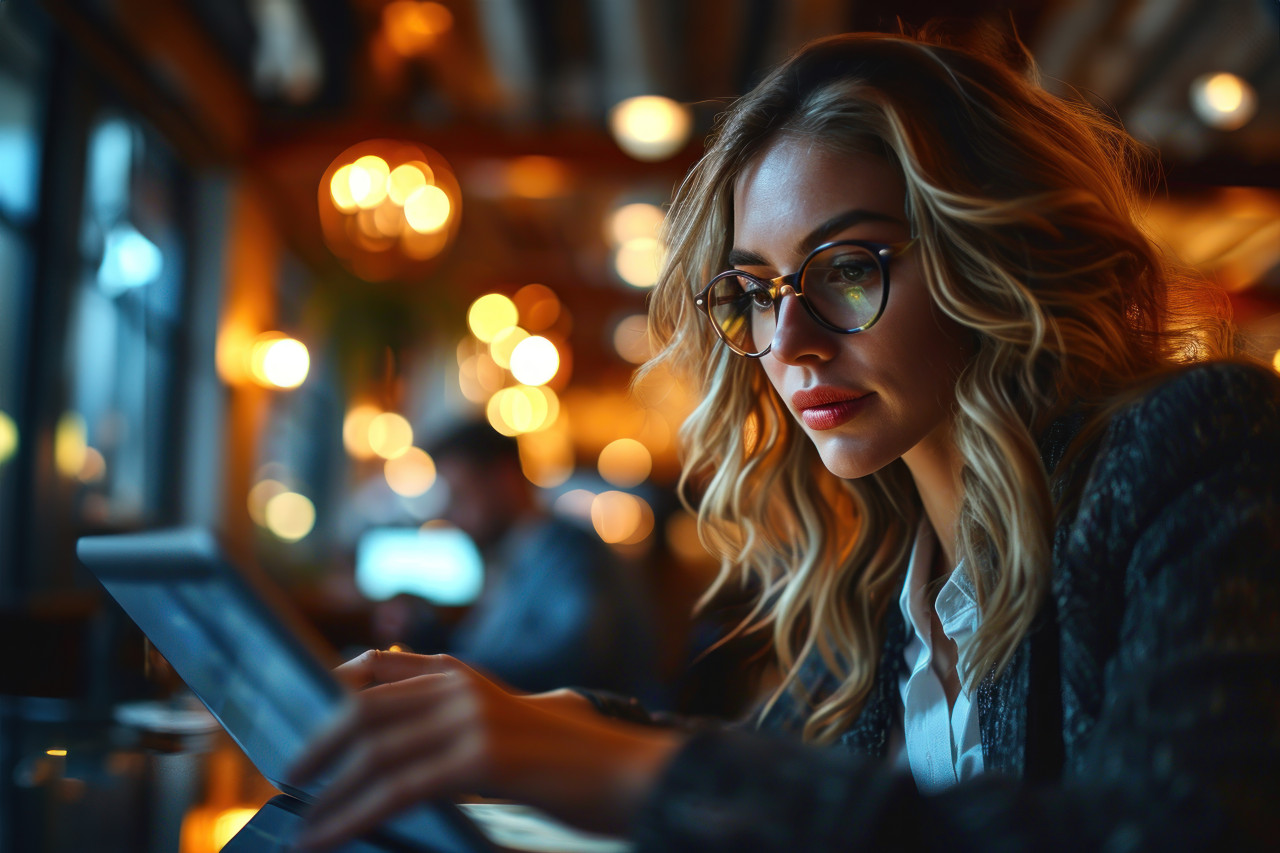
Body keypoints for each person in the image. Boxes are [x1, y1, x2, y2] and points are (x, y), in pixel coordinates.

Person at [288, 24, 1280, 851]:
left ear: (992, 253)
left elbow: (1172, 828)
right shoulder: (882, 570)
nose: (786, 342)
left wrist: (639, 769)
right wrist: (579, 724)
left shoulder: (1194, 449)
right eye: (752, 293)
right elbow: (812, 790)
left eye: (846, 268)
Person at [372, 420, 661, 698]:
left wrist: (432, 670)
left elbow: (569, 665)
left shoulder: (574, 555)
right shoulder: (519, 555)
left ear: (505, 477)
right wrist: (422, 632)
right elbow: (496, 656)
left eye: (460, 496)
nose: (449, 516)